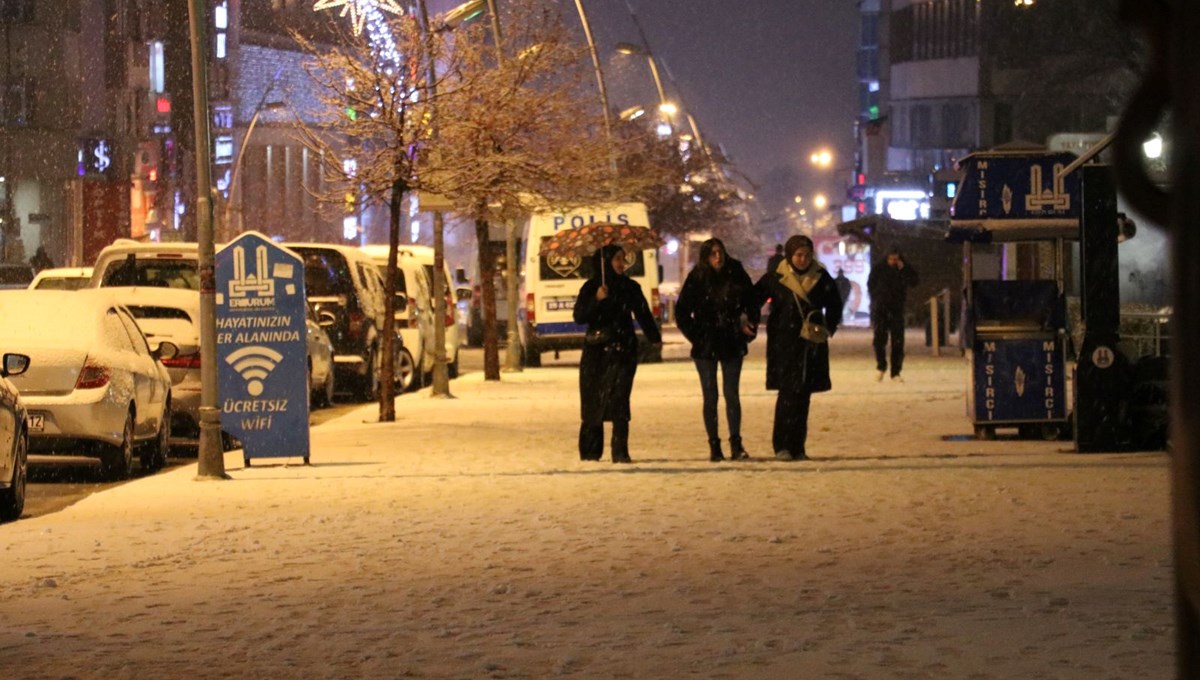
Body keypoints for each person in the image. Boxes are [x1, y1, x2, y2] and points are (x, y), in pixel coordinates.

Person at [754, 234, 842, 461]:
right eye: (798, 255)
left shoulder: (822, 278)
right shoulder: (776, 278)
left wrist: (827, 329)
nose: (802, 259)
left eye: (806, 255)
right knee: (787, 395)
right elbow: (753, 300)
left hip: (810, 344)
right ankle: (781, 445)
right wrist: (749, 321)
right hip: (784, 343)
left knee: (803, 396)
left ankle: (798, 446)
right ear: (790, 256)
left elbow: (834, 305)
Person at [573, 244, 663, 463]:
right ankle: (591, 451)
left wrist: (654, 338)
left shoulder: (630, 287)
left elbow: (643, 314)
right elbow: (580, 316)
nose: (622, 263)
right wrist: (597, 299)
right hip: (595, 352)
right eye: (617, 259)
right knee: (593, 399)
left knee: (620, 398)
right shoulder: (591, 287)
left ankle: (620, 450)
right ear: (605, 263)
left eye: (624, 259)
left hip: (623, 350)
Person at [675, 238, 760, 462]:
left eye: (720, 252)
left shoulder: (735, 272)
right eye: (712, 253)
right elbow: (682, 311)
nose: (718, 257)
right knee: (710, 395)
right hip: (707, 343)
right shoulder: (697, 277)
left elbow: (752, 302)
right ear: (706, 256)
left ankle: (736, 442)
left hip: (731, 340)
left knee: (732, 394)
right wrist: (697, 335)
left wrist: (748, 325)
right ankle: (714, 444)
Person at [867, 246, 919, 382]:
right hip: (881, 309)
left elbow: (914, 281)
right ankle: (881, 366)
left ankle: (895, 371)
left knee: (897, 342)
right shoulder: (879, 269)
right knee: (879, 340)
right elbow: (870, 285)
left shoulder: (903, 269)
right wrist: (876, 300)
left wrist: (904, 269)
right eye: (891, 259)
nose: (894, 262)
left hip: (897, 310)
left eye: (896, 259)